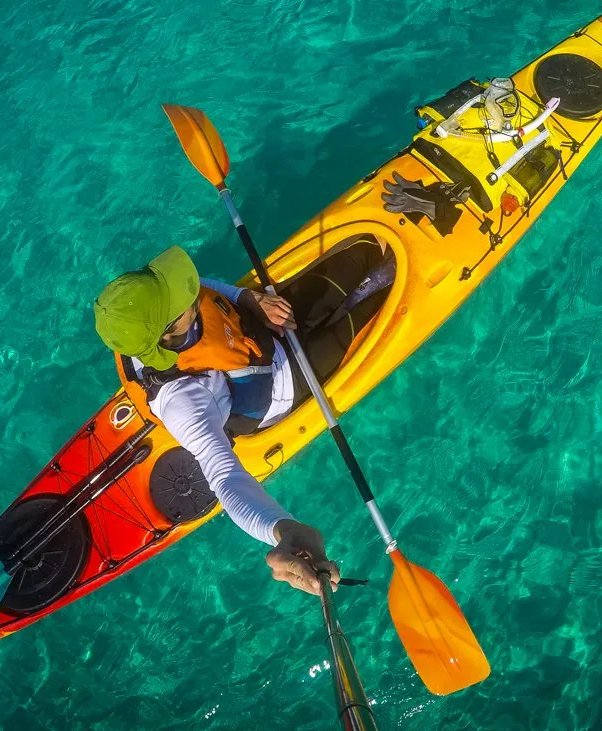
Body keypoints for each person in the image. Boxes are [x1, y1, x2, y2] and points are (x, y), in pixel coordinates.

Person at [93, 241, 394, 594]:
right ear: (166, 332)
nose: (189, 289)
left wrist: (249, 299)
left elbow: (201, 285)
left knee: (362, 254)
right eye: (181, 298)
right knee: (381, 300)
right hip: (285, 383)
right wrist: (282, 529)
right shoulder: (181, 402)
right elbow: (224, 476)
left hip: (263, 323)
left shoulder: (149, 312)